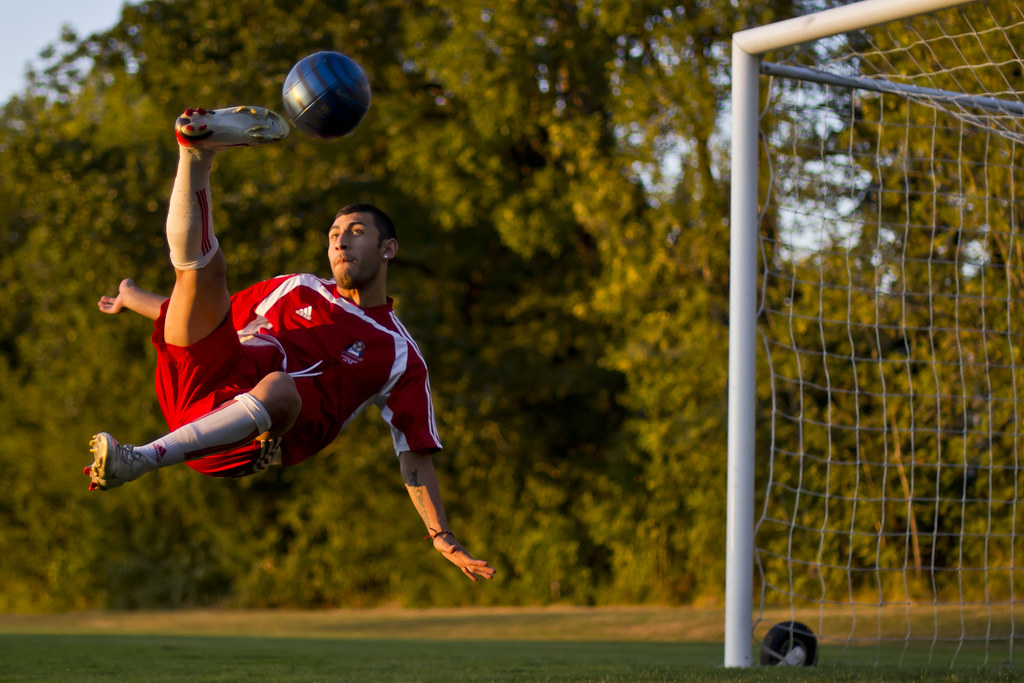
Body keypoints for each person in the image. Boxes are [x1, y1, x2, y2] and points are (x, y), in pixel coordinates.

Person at [85, 105, 495, 582]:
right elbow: (206, 315)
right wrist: (133, 298)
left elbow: (415, 453)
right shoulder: (296, 287)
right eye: (335, 234)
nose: (341, 243)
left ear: (388, 250)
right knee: (205, 274)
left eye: (357, 233)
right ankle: (194, 153)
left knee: (280, 386)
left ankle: (140, 458)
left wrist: (441, 535)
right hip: (206, 382)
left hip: (247, 437)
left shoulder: (398, 352)